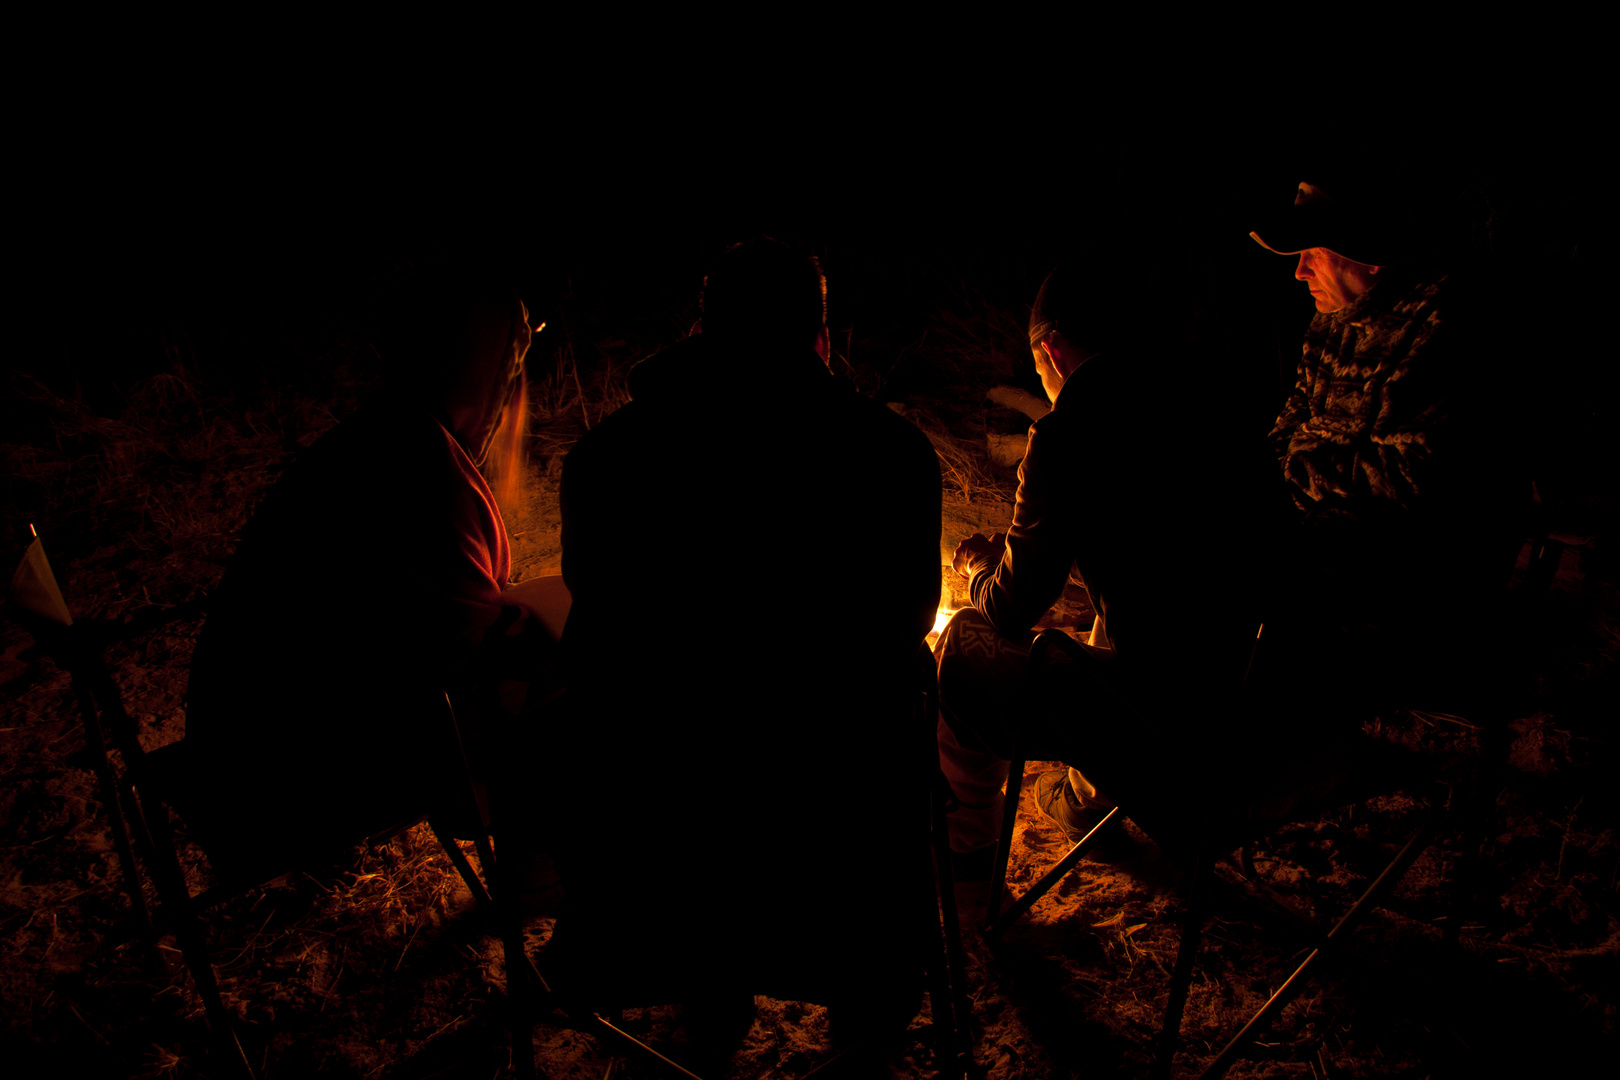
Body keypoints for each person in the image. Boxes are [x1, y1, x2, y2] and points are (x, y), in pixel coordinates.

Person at [535, 239, 941, 1049]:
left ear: (702, 332)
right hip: (837, 872)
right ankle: (862, 1010)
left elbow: (603, 624)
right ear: (819, 340)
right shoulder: (893, 456)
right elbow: (910, 616)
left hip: (653, 872)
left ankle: (710, 982)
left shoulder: (605, 461)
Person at [934, 257, 1289, 873]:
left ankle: (967, 842)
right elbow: (1165, 550)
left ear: (1052, 349)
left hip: (1163, 724)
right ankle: (1086, 798)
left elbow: (1014, 607)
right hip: (1270, 714)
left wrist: (981, 574)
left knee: (965, 640)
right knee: (1124, 617)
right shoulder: (1219, 407)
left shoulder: (1067, 434)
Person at [185, 279, 538, 858]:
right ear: (481, 371)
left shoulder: (371, 437)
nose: (510, 393)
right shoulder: (420, 471)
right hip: (292, 785)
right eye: (509, 367)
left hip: (234, 747)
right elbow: (463, 650)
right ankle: (536, 874)